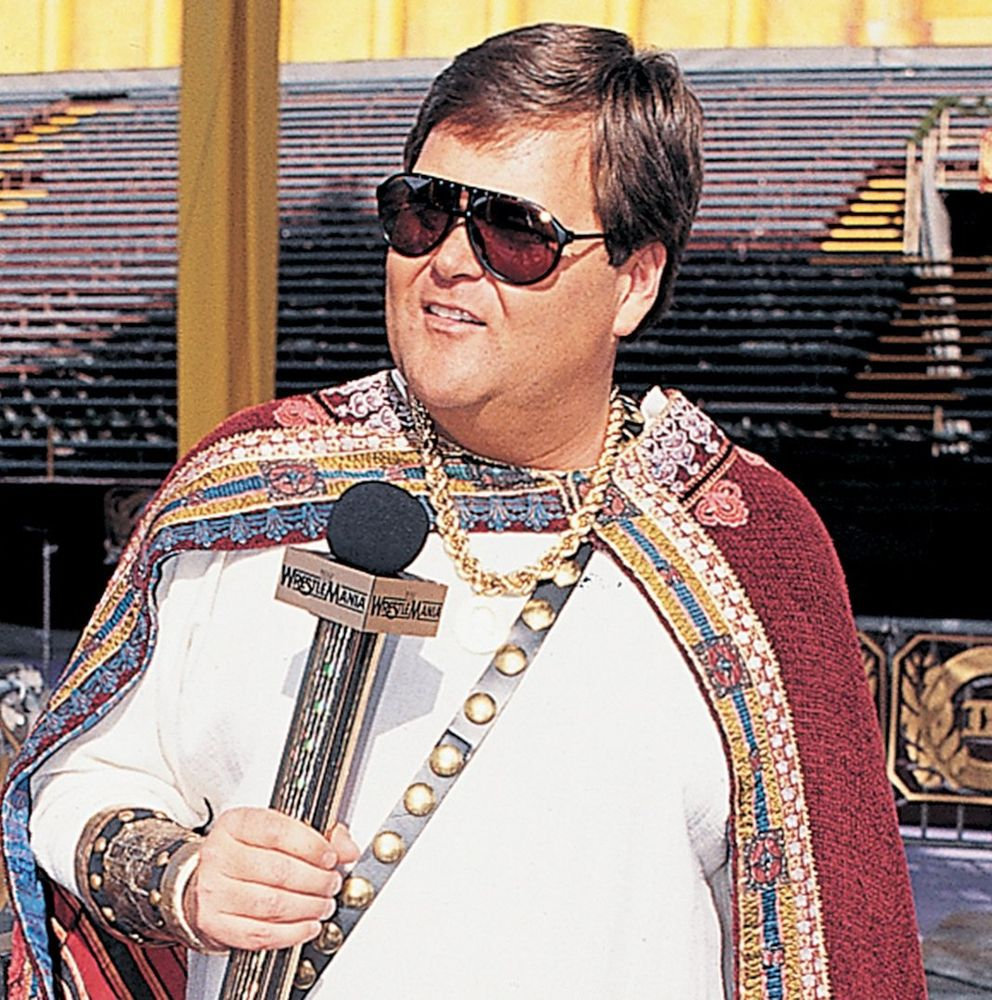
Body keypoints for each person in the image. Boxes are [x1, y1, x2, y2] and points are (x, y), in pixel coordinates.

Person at [3, 22, 926, 1000]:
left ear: (633, 281)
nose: (447, 260)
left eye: (514, 233)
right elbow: (77, 782)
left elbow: (836, 946)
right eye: (422, 212)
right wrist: (181, 877)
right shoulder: (247, 486)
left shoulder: (741, 545)